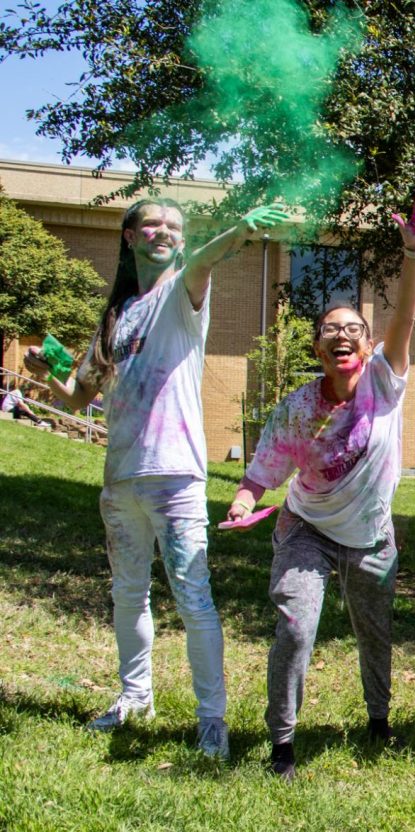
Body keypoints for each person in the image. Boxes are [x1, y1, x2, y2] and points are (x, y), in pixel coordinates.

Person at [24, 197, 290, 758]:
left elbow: (201, 264)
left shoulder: (181, 295)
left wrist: (239, 230)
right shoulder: (115, 316)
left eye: (173, 225)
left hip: (175, 476)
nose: (163, 231)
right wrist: (49, 373)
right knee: (128, 595)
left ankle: (212, 721)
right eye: (152, 223)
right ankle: (134, 696)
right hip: (120, 478)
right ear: (129, 237)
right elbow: (79, 395)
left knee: (194, 599)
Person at [224, 191, 415, 780]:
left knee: (374, 631)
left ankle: (379, 720)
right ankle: (282, 746)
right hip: (308, 528)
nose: (342, 335)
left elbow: (403, 318)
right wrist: (244, 500)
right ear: (318, 347)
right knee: (296, 627)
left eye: (354, 329)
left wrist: (414, 255)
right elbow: (261, 474)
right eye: (331, 330)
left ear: (369, 346)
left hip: (371, 537)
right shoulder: (296, 409)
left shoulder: (384, 381)